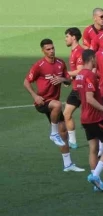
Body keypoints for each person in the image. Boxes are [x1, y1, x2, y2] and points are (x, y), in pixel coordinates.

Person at [23, 39, 84, 172]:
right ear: (43, 51)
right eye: (48, 49)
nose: (51, 51)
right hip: (42, 102)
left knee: (64, 133)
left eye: (52, 48)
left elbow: (68, 81)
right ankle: (53, 133)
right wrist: (35, 96)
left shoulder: (60, 63)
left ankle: (68, 164)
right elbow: (26, 82)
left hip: (53, 105)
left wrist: (63, 79)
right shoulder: (39, 65)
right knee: (57, 104)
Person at [75, 49, 103, 192]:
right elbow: (89, 98)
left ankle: (97, 184)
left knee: (93, 149)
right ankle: (95, 176)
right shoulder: (90, 75)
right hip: (96, 118)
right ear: (92, 58)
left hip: (85, 118)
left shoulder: (79, 75)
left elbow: (80, 95)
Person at [63, 27, 85, 149]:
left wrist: (64, 75)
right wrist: (69, 80)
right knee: (67, 114)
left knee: (92, 118)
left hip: (84, 89)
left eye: (67, 36)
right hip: (76, 88)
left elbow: (80, 71)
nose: (65, 39)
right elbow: (75, 72)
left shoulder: (79, 51)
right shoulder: (73, 52)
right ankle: (72, 142)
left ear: (74, 37)